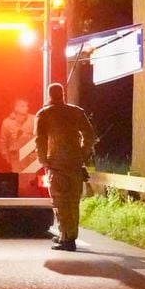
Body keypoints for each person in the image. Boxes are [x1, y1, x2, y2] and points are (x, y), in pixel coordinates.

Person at [34, 82, 95, 251]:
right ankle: (68, 234)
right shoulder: (76, 112)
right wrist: (82, 154)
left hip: (56, 165)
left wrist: (43, 160)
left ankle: (67, 239)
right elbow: (89, 135)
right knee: (73, 202)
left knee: (60, 202)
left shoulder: (44, 114)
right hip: (75, 165)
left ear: (49, 95)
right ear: (63, 94)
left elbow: (40, 140)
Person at [0, 98, 38, 173]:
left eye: (27, 106)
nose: (26, 108)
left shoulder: (34, 120)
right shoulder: (7, 123)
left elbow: (42, 137)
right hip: (16, 159)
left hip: (32, 159)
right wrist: (6, 157)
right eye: (23, 106)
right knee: (18, 181)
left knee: (32, 182)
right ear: (16, 108)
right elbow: (3, 141)